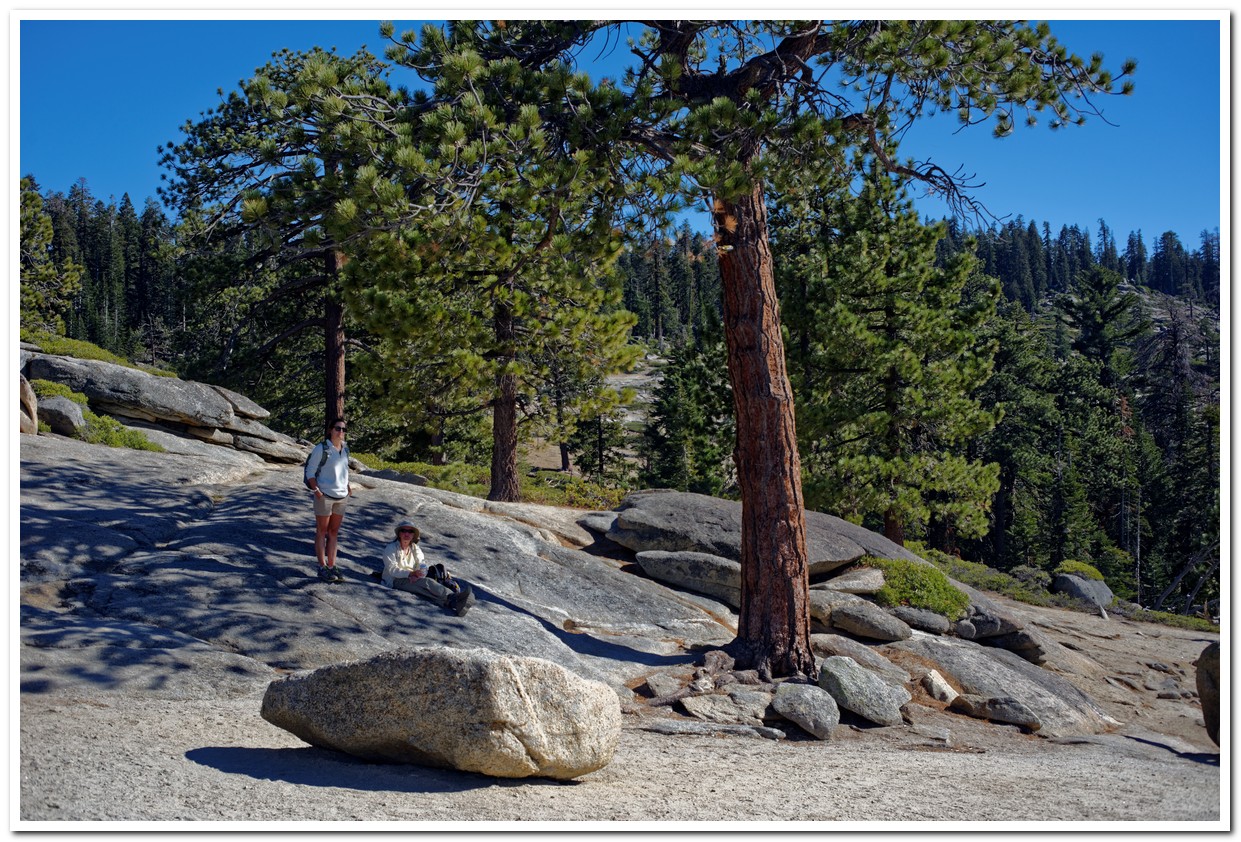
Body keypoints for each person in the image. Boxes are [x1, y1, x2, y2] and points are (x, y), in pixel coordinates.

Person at [381, 520, 475, 616]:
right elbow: (392, 569)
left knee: (423, 589)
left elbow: (422, 565)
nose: (407, 534)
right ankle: (455, 597)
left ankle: (453, 603)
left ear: (413, 535)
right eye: (404, 531)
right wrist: (410, 574)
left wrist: (419, 575)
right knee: (427, 583)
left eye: (410, 532)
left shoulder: (415, 548)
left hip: (411, 578)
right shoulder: (391, 548)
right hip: (394, 580)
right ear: (399, 534)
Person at [304, 417, 351, 582]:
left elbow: (344, 470)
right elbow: (310, 471)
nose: (341, 432)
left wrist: (348, 486)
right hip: (325, 495)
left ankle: (332, 566)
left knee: (333, 532)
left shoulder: (345, 449)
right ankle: (322, 566)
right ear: (330, 430)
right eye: (338, 428)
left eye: (343, 429)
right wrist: (316, 491)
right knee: (322, 532)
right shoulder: (321, 448)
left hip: (341, 496)